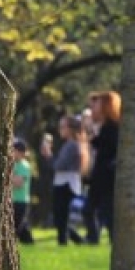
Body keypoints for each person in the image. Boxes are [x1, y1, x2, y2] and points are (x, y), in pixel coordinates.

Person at [84, 90, 120, 245]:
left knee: (107, 211)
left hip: (106, 177)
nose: (93, 108)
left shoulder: (113, 128)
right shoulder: (105, 127)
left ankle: (110, 240)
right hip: (99, 176)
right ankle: (93, 238)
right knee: (90, 209)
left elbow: (105, 147)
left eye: (97, 105)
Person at [50, 115, 88, 245]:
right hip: (69, 183)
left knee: (61, 216)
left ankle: (66, 241)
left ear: (70, 129)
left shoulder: (71, 145)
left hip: (65, 183)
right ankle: (74, 240)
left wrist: (49, 156)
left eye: (63, 127)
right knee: (62, 216)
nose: (60, 130)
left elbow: (58, 165)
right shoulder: (73, 145)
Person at [10, 138, 35, 244]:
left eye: (14, 150)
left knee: (17, 225)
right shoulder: (13, 164)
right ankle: (29, 241)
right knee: (20, 224)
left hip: (21, 201)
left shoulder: (25, 166)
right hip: (12, 199)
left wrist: (8, 177)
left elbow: (19, 183)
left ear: (21, 152)